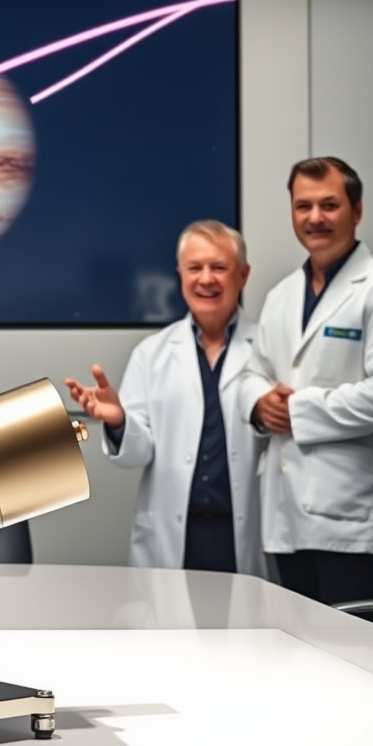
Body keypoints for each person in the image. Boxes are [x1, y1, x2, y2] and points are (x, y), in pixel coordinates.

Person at [240, 156, 373, 605]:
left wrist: (296, 410)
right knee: (292, 646)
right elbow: (253, 371)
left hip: (347, 516)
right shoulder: (281, 294)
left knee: (347, 648)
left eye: (329, 205)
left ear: (356, 211)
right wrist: (258, 403)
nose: (315, 218)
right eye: (303, 206)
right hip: (284, 514)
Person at [65, 220, 265, 576]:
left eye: (219, 267)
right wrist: (119, 421)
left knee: (246, 629)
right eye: (195, 268)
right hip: (175, 533)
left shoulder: (268, 348)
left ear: (244, 275)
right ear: (180, 275)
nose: (206, 279)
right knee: (174, 629)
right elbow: (138, 453)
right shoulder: (151, 353)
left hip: (242, 531)